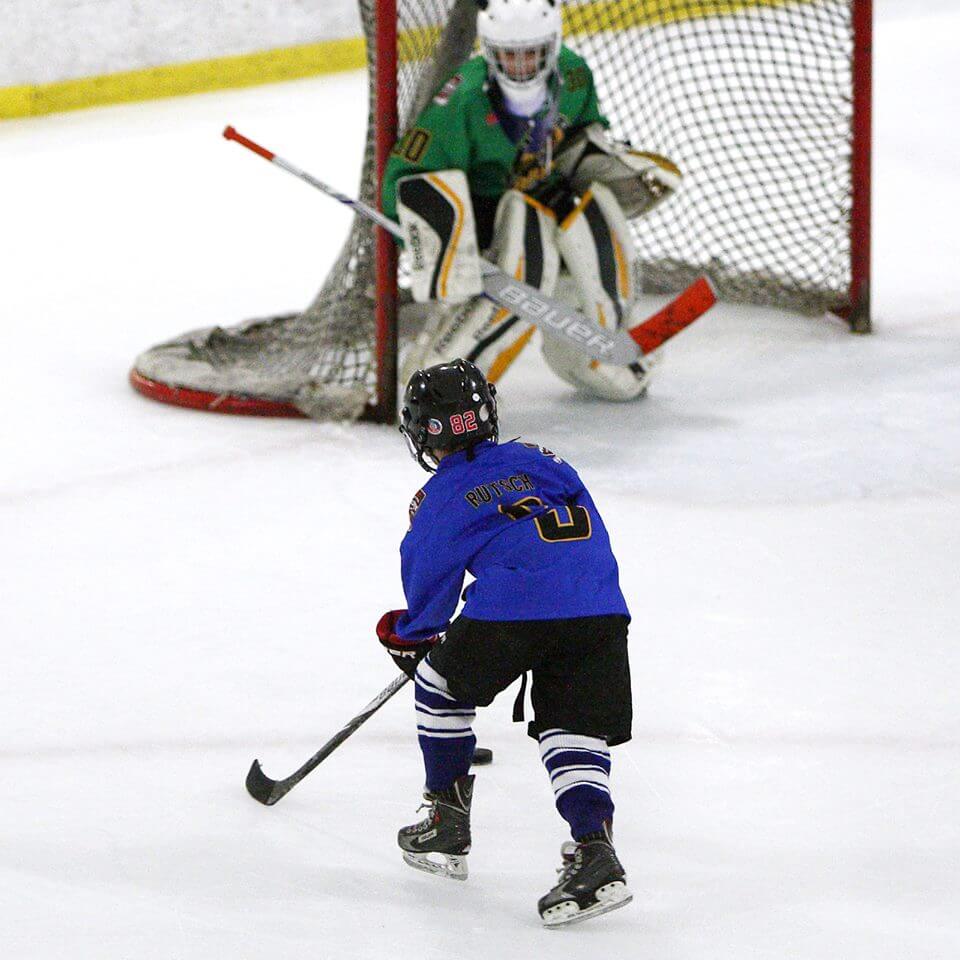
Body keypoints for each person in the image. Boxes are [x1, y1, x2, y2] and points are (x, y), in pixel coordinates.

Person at [375, 358, 634, 926]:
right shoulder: (544, 459)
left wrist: (412, 633)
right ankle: (595, 852)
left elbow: (427, 578)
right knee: (573, 728)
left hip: (513, 611)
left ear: (422, 431)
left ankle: (446, 821)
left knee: (441, 685)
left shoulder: (440, 494)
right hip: (599, 608)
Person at [382, 0, 681, 402]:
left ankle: (599, 350)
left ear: (552, 44)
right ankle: (447, 378)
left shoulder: (573, 76)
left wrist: (605, 163)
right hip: (487, 226)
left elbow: (579, 139)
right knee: (526, 234)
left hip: (546, 201)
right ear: (488, 49)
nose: (521, 65)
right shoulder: (464, 98)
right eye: (509, 55)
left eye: (532, 53)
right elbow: (407, 177)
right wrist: (437, 246)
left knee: (596, 206)